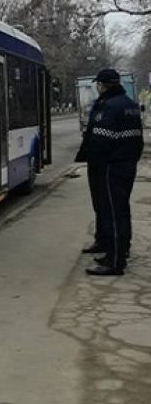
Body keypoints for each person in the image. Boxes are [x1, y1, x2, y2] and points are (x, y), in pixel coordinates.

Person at [75, 68, 144, 276]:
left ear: (103, 85)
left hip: (109, 166)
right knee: (119, 209)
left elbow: (100, 140)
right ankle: (117, 249)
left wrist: (93, 160)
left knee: (113, 211)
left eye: (99, 85)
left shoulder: (109, 107)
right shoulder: (130, 105)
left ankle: (114, 262)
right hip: (126, 163)